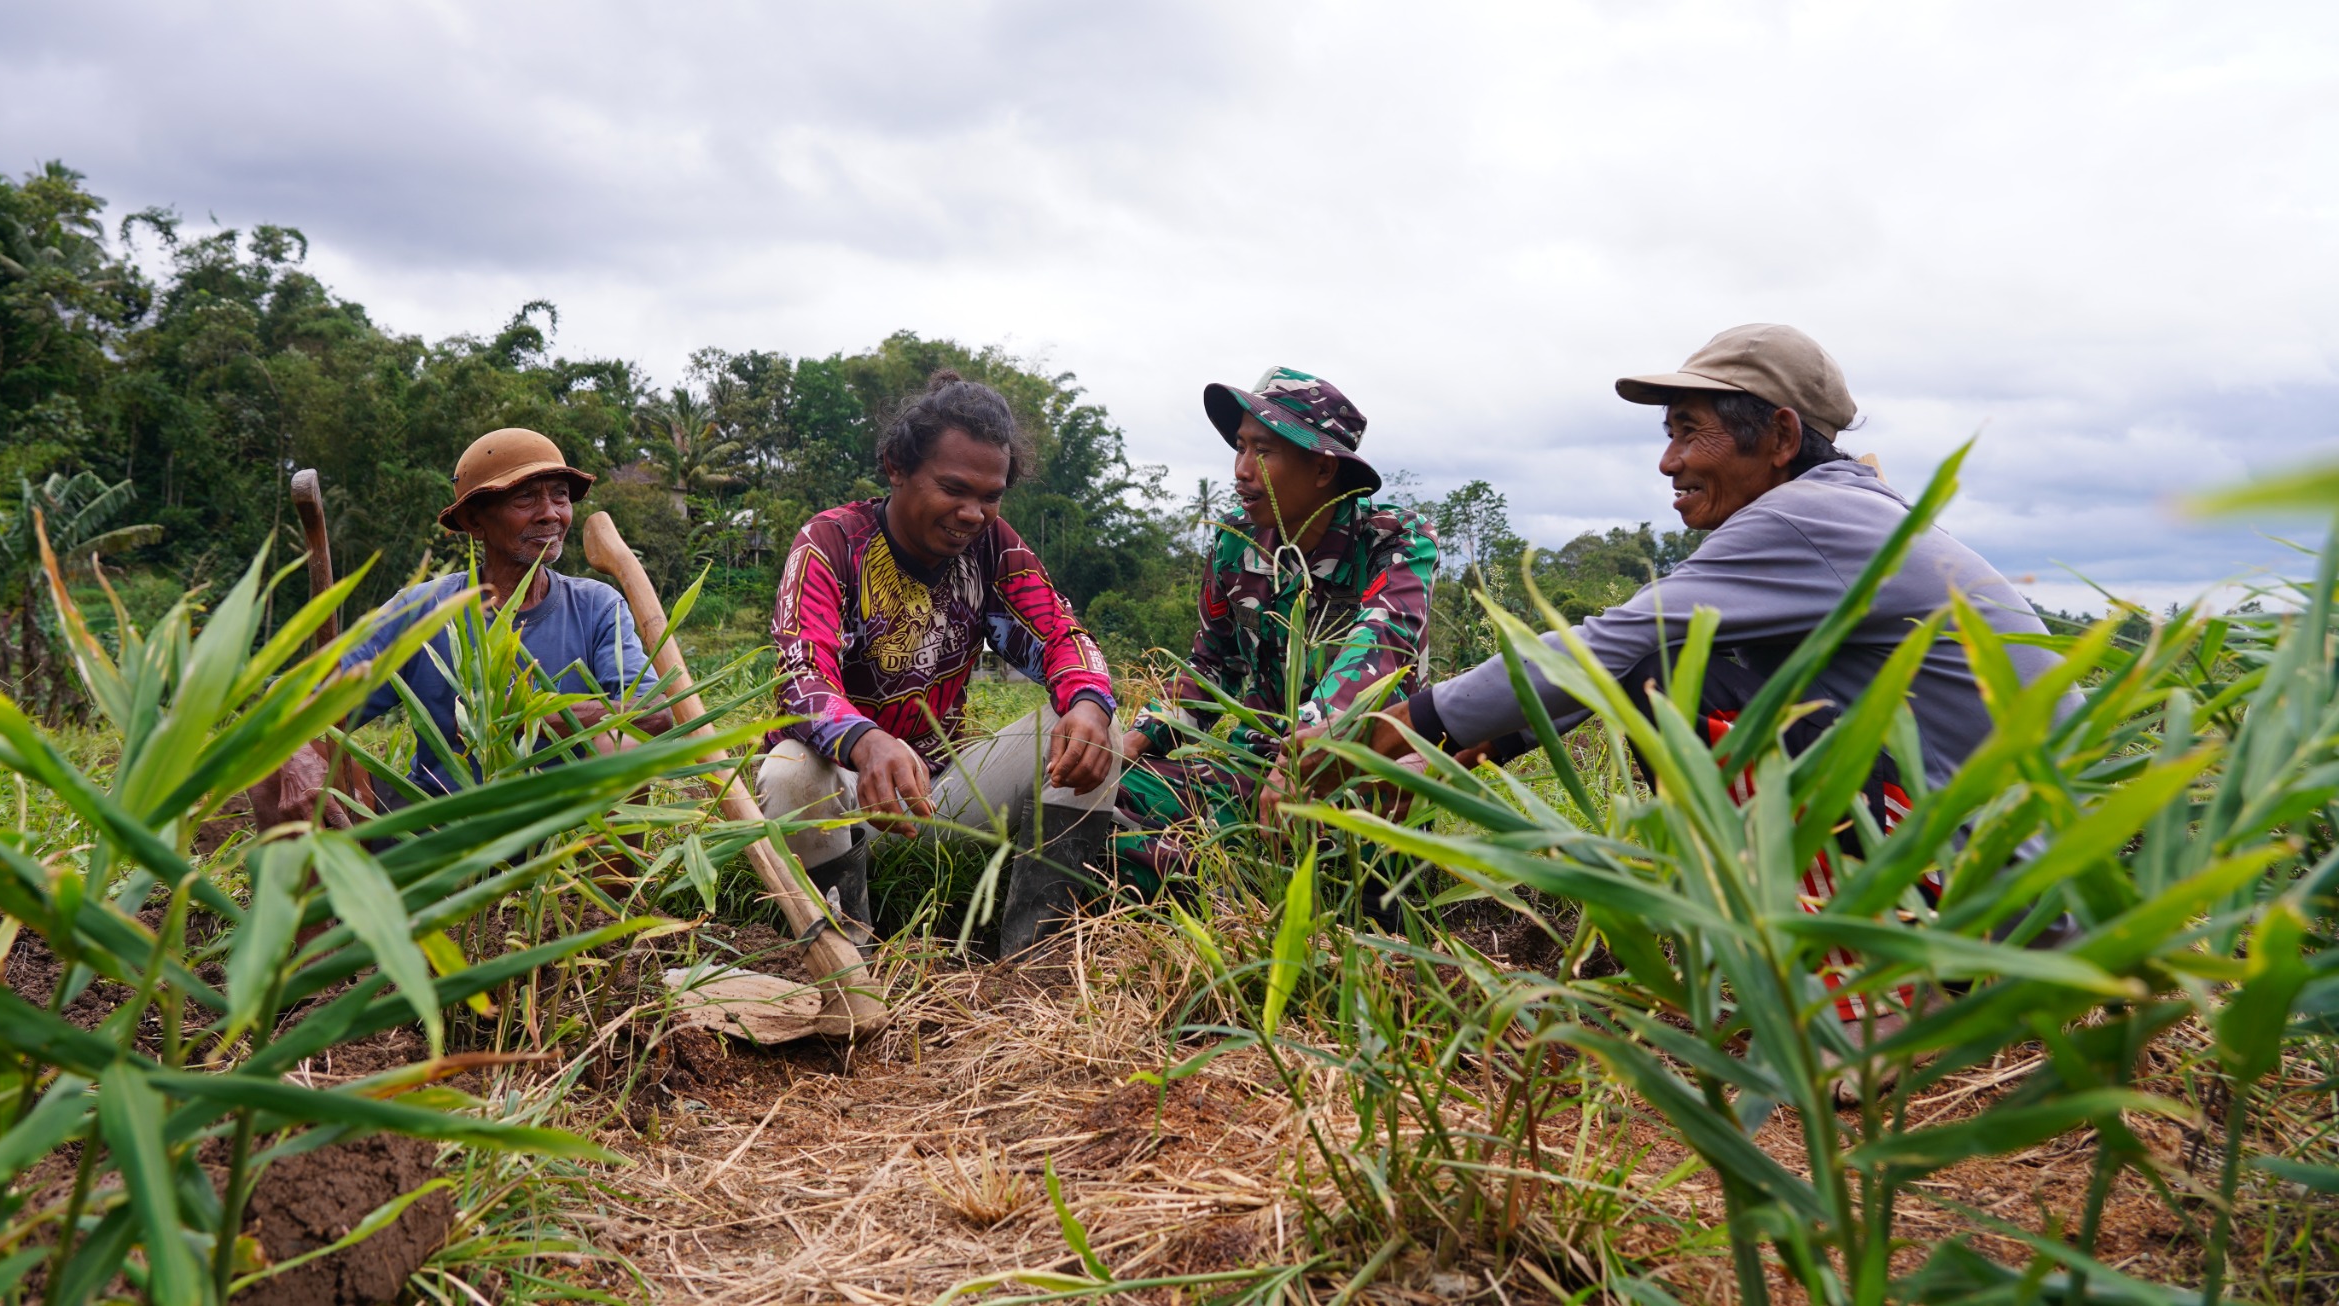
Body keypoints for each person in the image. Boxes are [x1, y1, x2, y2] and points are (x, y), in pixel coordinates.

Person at [1312, 324, 2069, 1029]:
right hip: (2020, 886)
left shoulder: (1804, 518)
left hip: (1998, 901)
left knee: (1679, 682)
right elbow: (1624, 655)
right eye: (1668, 436)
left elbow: (1618, 647)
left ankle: (1887, 995)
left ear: (1779, 436)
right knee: (1675, 667)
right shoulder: (1835, 514)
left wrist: (1394, 728)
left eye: (1688, 433)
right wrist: (1445, 755)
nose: (1669, 462)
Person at [755, 370, 1122, 956]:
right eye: (954, 488)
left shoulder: (994, 550)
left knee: (1090, 727)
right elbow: (800, 676)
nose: (974, 512)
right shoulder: (831, 545)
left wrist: (1087, 702)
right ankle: (844, 963)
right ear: (896, 466)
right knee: (790, 770)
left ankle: (1037, 960)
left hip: (936, 798)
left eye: (991, 495)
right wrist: (864, 741)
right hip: (840, 805)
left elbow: (1062, 635)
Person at [1111, 368, 1436, 888]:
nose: (1241, 469)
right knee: (1098, 805)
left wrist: (1304, 755)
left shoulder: (1393, 542)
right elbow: (1212, 665)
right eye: (1240, 447)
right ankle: (1208, 871)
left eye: (1263, 451)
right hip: (1249, 765)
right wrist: (1135, 738)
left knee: (1338, 859)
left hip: (1353, 771)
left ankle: (1240, 882)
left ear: (1323, 469)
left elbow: (1379, 654)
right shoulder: (1235, 545)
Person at [253, 427, 667, 827]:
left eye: (559, 496)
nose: (551, 514)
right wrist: (296, 756)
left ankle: (607, 897)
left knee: (624, 745)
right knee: (276, 762)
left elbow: (656, 714)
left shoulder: (596, 605)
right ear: (474, 520)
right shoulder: (423, 609)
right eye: (526, 498)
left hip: (564, 833)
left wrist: (530, 715)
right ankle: (323, 898)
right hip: (433, 822)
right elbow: (292, 701)